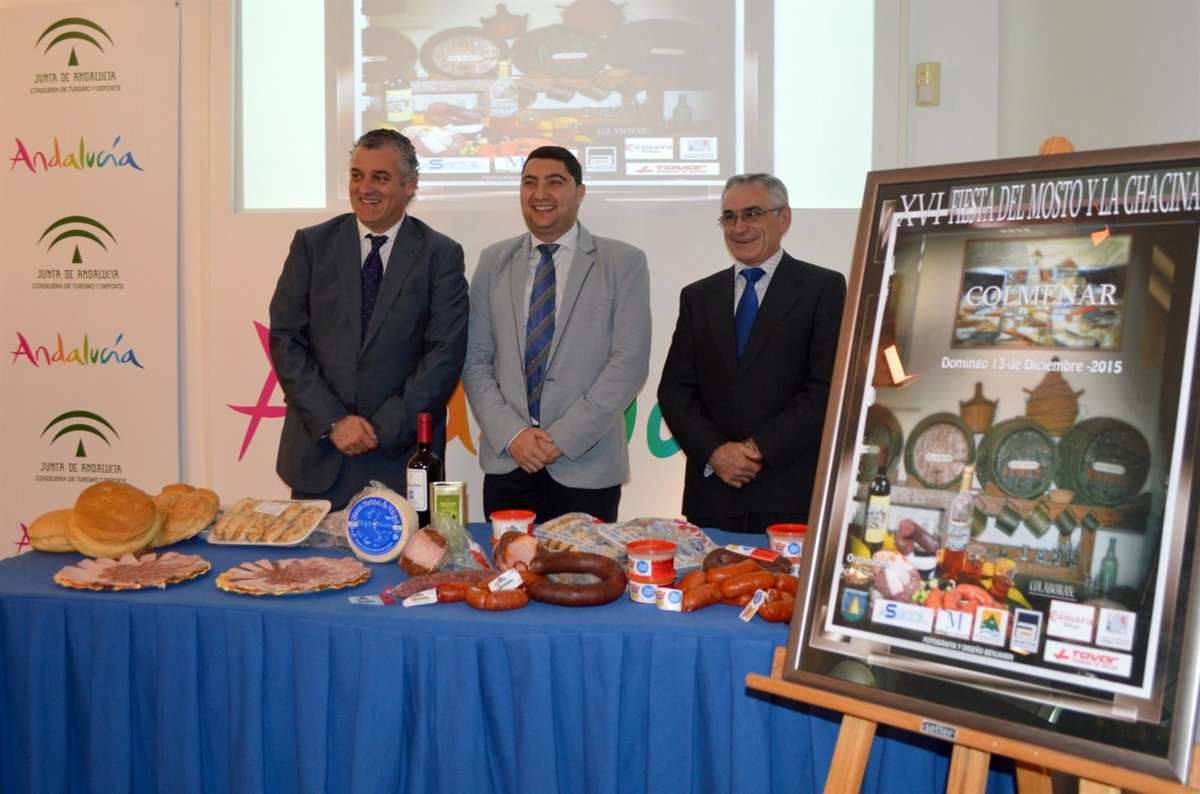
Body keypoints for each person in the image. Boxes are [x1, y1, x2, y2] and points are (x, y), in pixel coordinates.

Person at [269, 128, 468, 510]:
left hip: (400, 456)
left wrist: (381, 429)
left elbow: (444, 355)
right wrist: (334, 422)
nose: (365, 188)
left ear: (410, 185)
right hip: (321, 455)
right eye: (357, 175)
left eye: (381, 177)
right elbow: (286, 338)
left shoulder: (440, 255)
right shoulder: (311, 245)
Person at [463, 146, 650, 522]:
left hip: (587, 466)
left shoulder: (622, 262)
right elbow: (475, 359)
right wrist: (513, 434)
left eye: (554, 182)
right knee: (508, 563)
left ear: (579, 192)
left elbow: (628, 364)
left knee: (585, 564)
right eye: (529, 183)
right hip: (509, 463)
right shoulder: (493, 261)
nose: (540, 194)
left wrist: (561, 439)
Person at [657, 173, 846, 533]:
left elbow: (826, 388)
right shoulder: (698, 296)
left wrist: (757, 450)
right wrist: (716, 452)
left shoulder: (823, 288)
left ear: (784, 218)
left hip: (789, 491)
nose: (739, 227)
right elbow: (675, 390)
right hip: (713, 493)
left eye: (752, 214)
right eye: (729, 217)